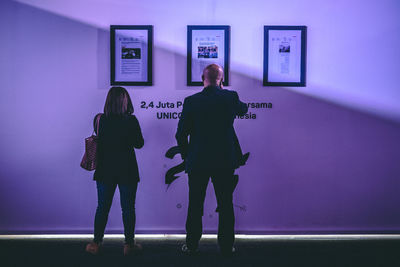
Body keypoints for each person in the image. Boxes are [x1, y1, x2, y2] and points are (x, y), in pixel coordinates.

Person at [175, 64, 248, 256]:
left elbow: (180, 134)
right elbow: (243, 110)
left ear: (202, 78)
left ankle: (191, 245)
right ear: (221, 79)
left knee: (195, 204)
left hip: (198, 160)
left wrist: (187, 156)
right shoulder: (230, 97)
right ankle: (226, 246)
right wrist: (224, 91)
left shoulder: (191, 101)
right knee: (225, 204)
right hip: (224, 160)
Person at [85, 86, 144, 256]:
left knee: (102, 207)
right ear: (126, 101)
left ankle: (96, 243)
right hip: (127, 169)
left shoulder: (99, 119)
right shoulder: (131, 120)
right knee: (128, 209)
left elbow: (100, 137)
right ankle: (129, 245)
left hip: (105, 169)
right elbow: (139, 144)